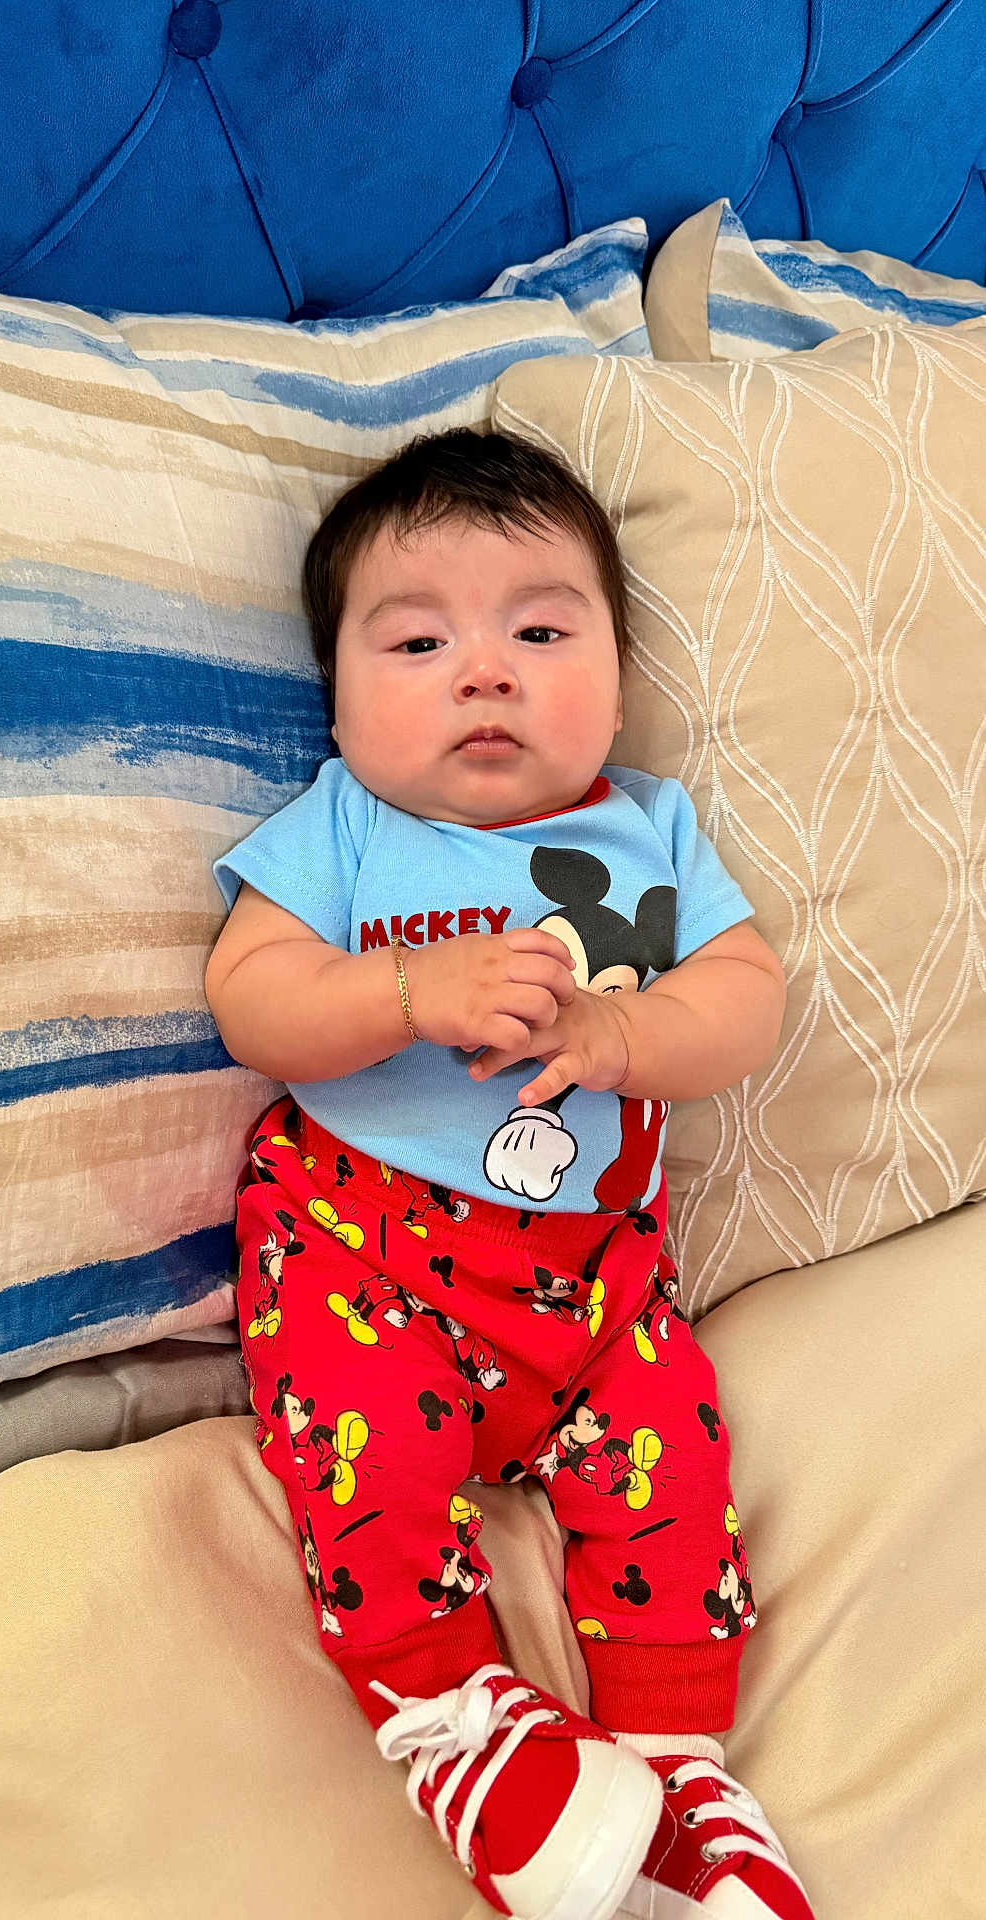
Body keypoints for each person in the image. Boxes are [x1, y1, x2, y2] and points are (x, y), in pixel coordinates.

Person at [205, 429, 813, 1920]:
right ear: (337, 697)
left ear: (616, 664)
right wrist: (404, 997)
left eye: (542, 630)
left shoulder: (649, 827)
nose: (485, 671)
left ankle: (675, 1770)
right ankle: (455, 1721)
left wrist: (626, 1028)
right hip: (368, 1263)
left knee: (673, 1446)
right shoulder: (341, 827)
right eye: (418, 639)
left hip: (594, 1286)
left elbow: (745, 997)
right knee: (365, 1472)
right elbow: (254, 999)